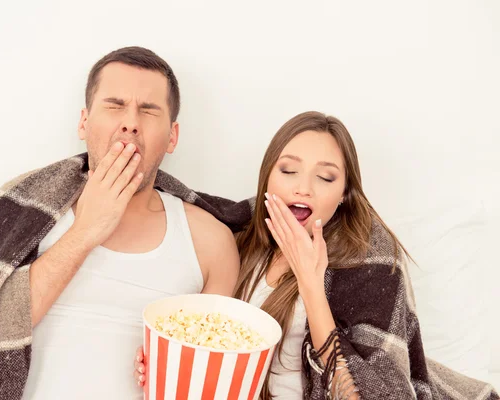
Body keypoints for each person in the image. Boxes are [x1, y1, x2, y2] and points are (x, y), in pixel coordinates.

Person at [0, 46, 240, 400]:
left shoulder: (209, 240)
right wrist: (86, 231)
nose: (131, 122)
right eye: (114, 105)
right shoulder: (22, 212)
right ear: (84, 122)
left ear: (172, 136)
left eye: (148, 110)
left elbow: (213, 374)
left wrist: (175, 371)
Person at [134, 111, 499, 399]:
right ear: (267, 178)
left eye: (325, 178)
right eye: (288, 170)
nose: (303, 187)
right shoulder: (241, 236)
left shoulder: (372, 263)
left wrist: (311, 286)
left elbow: (375, 394)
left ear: (344, 194)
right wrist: (171, 366)